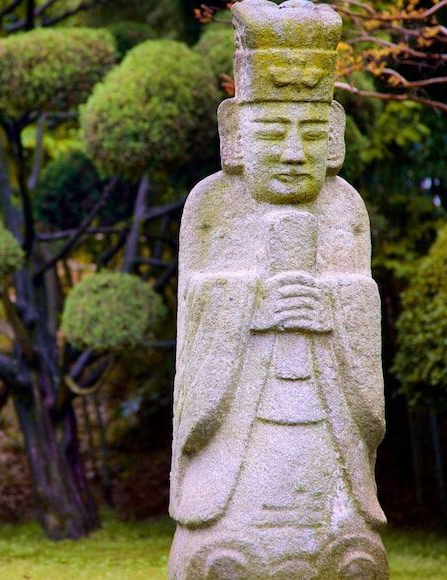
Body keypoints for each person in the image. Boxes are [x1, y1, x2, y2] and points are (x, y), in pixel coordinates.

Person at [168, 1, 388, 578]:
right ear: (235, 135)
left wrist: (337, 307)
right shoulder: (212, 205)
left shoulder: (344, 209)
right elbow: (196, 315)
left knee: (351, 560)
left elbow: (361, 303)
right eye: (272, 132)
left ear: (333, 138)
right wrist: (247, 305)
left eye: (311, 133)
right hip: (237, 454)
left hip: (324, 429)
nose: (294, 153)